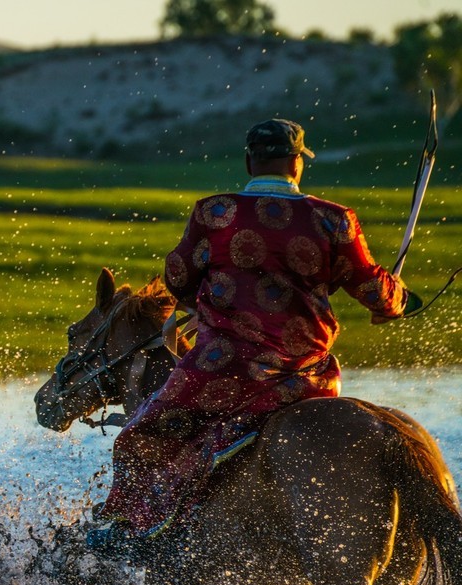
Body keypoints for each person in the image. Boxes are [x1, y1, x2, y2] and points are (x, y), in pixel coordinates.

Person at [88, 118, 408, 555]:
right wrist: (400, 299)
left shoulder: (214, 212)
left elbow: (178, 279)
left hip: (224, 367)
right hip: (306, 372)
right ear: (297, 164)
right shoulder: (335, 219)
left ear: (248, 161)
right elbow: (375, 290)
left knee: (138, 437)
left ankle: (134, 533)